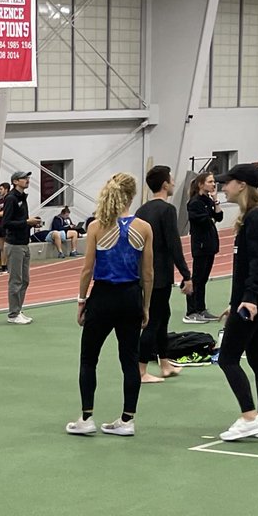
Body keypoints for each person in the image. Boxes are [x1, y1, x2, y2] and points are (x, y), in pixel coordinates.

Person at [65, 173, 153, 437]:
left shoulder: (96, 226)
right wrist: (145, 306)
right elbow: (148, 273)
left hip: (102, 298)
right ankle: (127, 420)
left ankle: (86, 417)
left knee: (89, 358)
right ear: (133, 195)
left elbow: (86, 269)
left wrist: (82, 301)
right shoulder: (144, 228)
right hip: (130, 298)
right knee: (129, 360)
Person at [213, 163, 258, 441]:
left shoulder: (256, 218)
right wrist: (238, 300)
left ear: (241, 185)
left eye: (227, 182)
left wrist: (249, 300)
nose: (223, 187)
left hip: (257, 303)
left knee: (228, 358)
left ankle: (248, 416)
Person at [134, 166, 193, 383]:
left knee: (163, 317)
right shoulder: (167, 210)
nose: (174, 183)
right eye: (171, 180)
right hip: (159, 276)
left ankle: (165, 363)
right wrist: (186, 275)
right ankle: (140, 371)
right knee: (153, 321)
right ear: (165, 184)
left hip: (144, 273)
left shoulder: (142, 210)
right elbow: (173, 245)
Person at [0, 171, 41, 324]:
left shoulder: (22, 198)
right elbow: (6, 223)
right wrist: (26, 222)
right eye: (24, 178)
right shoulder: (11, 198)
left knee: (25, 280)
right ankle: (13, 314)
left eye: (28, 178)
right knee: (16, 280)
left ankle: (18, 309)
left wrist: (31, 223)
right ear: (16, 181)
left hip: (24, 243)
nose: (27, 180)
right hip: (14, 245)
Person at [184, 172, 223, 323]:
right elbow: (205, 220)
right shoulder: (194, 202)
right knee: (198, 278)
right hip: (200, 245)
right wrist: (211, 216)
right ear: (201, 184)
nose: (214, 184)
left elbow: (218, 217)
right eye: (210, 182)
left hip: (210, 244)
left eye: (214, 182)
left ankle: (201, 308)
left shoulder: (208, 200)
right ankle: (191, 311)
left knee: (203, 279)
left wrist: (216, 201)